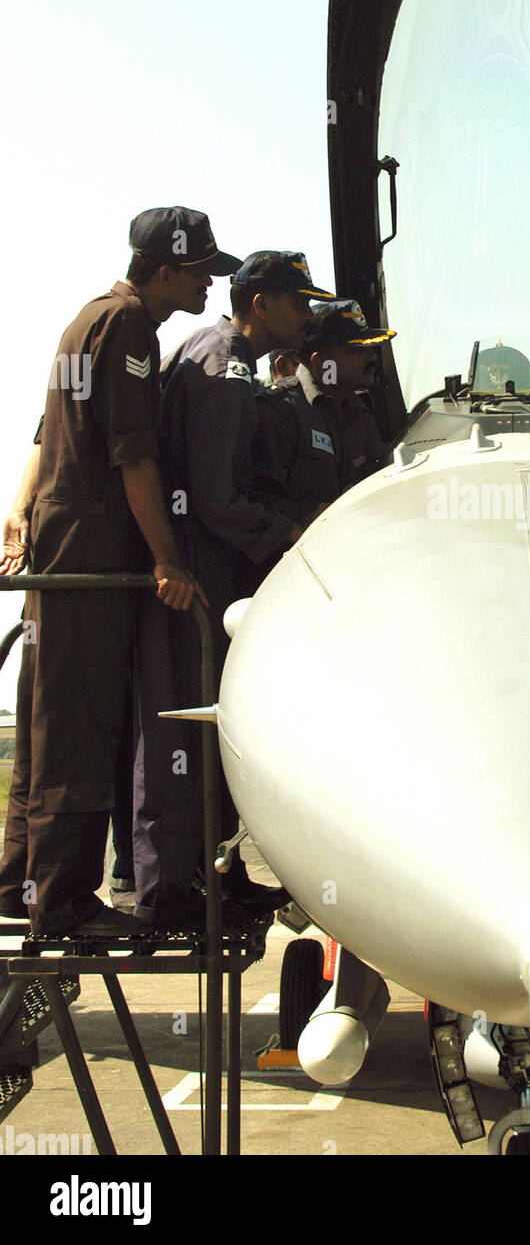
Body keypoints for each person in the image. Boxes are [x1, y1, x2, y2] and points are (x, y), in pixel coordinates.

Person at [0, 206, 229, 934]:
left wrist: (20, 507)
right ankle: (62, 904)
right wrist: (166, 557)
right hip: (94, 555)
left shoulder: (87, 320)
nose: (207, 290)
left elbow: (48, 433)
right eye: (198, 275)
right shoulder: (128, 328)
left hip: (61, 547)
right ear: (164, 271)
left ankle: (17, 885)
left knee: (46, 717)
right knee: (82, 724)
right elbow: (134, 455)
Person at [132, 250, 331, 927]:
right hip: (194, 569)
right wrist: (291, 535)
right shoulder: (223, 363)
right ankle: (169, 891)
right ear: (261, 303)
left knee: (211, 724)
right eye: (298, 302)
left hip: (213, 565)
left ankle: (213, 876)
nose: (307, 317)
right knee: (181, 727)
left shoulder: (232, 360)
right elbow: (216, 498)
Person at [251, 299, 393, 530]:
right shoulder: (280, 411)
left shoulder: (359, 408)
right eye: (357, 350)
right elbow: (254, 499)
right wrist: (305, 516)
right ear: (321, 363)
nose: (372, 357)